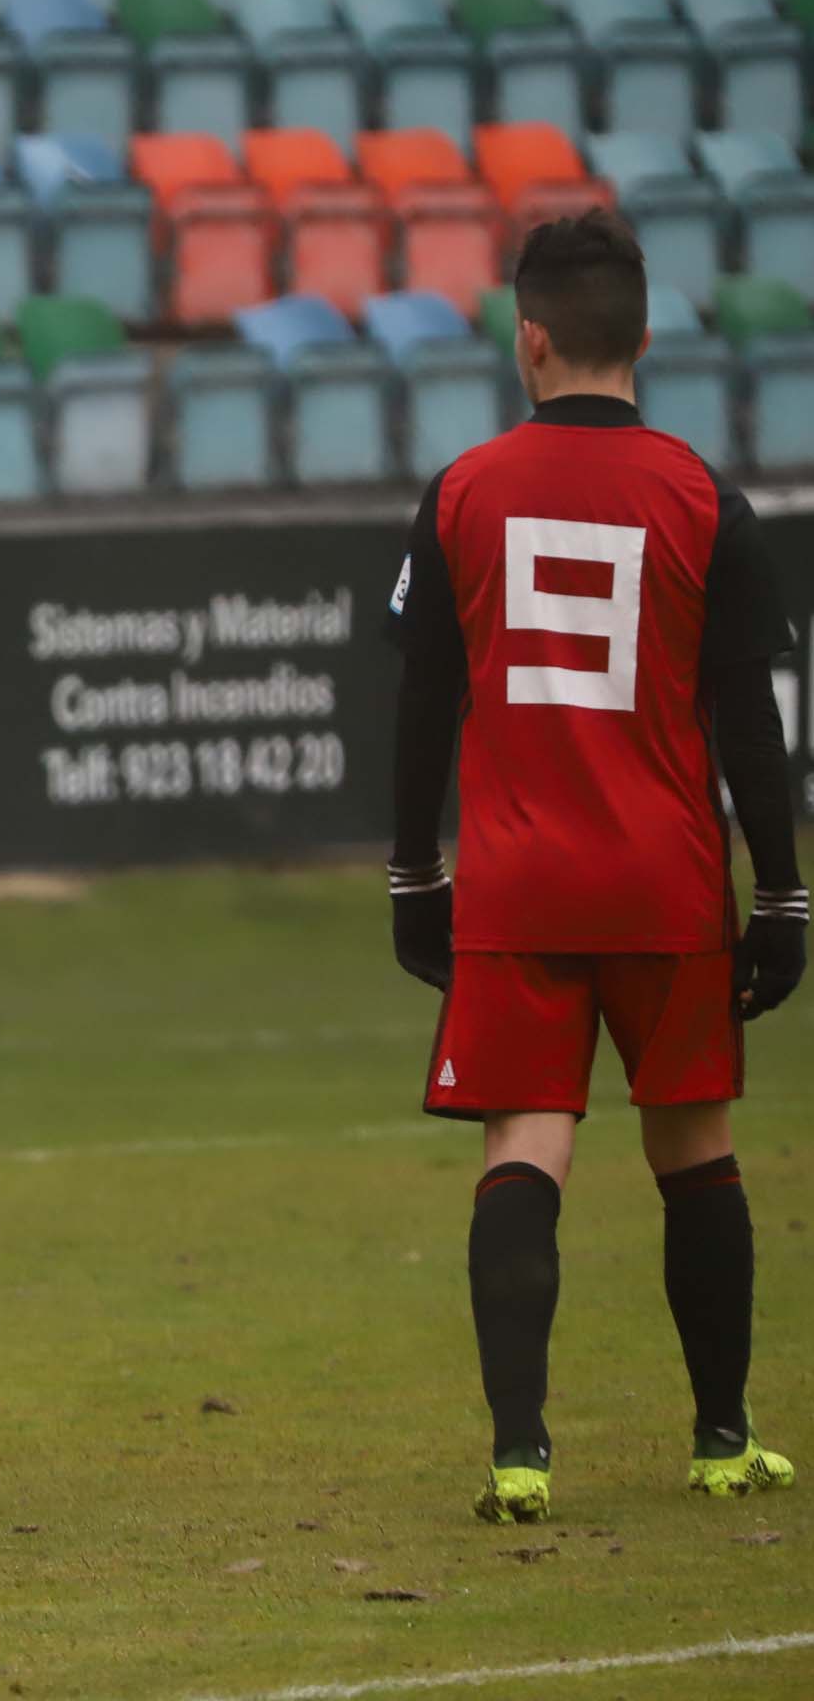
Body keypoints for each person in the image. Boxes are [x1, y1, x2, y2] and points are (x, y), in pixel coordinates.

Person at [387, 211, 802, 1526]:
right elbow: (751, 723)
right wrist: (783, 896)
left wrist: (411, 876)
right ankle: (721, 1436)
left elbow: (420, 709)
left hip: (515, 889)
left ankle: (518, 1454)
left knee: (525, 1143)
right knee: (693, 1151)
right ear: (642, 336)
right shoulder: (701, 500)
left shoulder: (460, 492)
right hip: (664, 885)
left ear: (529, 337)